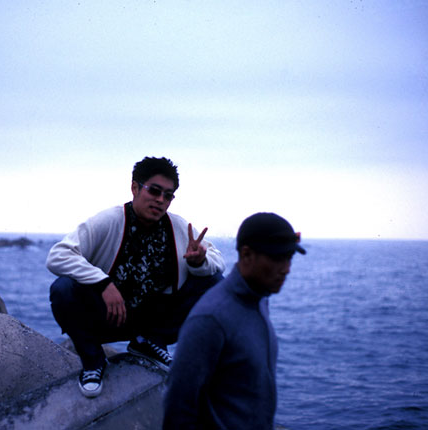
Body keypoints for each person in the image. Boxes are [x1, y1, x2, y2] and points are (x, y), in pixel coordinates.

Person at [47, 156, 225, 398]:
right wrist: (102, 283)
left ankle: (150, 343)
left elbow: (218, 262)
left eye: (168, 195)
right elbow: (57, 256)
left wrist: (199, 262)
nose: (160, 200)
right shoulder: (109, 220)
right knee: (63, 288)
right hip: (108, 316)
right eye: (154, 191)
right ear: (135, 188)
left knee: (215, 284)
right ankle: (93, 361)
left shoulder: (179, 227)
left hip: (154, 320)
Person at [163, 212, 306, 429]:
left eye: (289, 258)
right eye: (277, 258)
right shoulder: (210, 319)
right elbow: (178, 408)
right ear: (246, 254)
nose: (286, 269)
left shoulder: (259, 300)